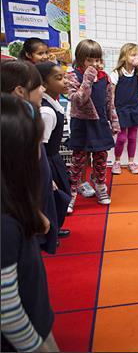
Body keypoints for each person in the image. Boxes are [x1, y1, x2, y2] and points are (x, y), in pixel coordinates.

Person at [1, 94, 59, 352]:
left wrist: (33, 214)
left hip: (37, 316)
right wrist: (35, 347)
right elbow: (8, 310)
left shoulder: (11, 197)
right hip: (27, 334)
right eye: (36, 145)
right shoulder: (5, 227)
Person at [1, 59, 60, 254]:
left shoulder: (30, 115)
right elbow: (13, 178)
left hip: (33, 202)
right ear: (20, 91)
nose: (43, 90)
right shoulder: (14, 127)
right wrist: (33, 212)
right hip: (21, 212)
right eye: (39, 86)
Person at [65, 39, 120, 212]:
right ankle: (71, 192)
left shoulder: (105, 77)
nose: (95, 64)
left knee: (101, 158)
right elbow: (78, 100)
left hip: (100, 124)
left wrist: (114, 121)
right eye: (90, 60)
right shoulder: (72, 76)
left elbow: (109, 102)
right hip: (81, 124)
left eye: (97, 60)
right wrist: (87, 79)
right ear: (81, 59)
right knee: (78, 160)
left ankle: (100, 183)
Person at [37, 62, 72, 239]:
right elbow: (40, 146)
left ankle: (54, 229)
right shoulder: (46, 112)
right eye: (59, 78)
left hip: (54, 157)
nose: (65, 81)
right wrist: (47, 174)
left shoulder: (54, 104)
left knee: (62, 195)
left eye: (65, 77)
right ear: (44, 83)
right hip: (47, 159)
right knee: (52, 198)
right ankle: (47, 235)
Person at [110, 43, 138, 175]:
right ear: (124, 56)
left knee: (133, 137)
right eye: (133, 55)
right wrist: (112, 111)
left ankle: (131, 161)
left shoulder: (137, 72)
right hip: (121, 109)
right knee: (121, 138)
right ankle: (116, 162)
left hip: (135, 107)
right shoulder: (116, 73)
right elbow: (111, 94)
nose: (137, 58)